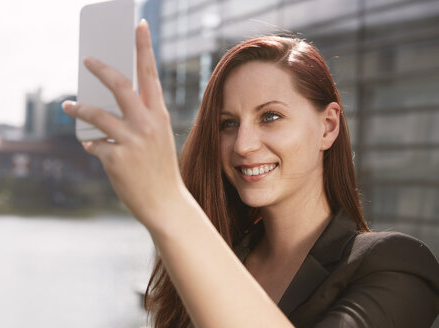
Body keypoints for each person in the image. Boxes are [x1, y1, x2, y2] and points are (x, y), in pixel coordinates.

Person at [63, 19, 439, 328]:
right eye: (228, 123)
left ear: (327, 127)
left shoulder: (396, 265)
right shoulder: (220, 257)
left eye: (270, 117)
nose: (242, 145)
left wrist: (169, 204)